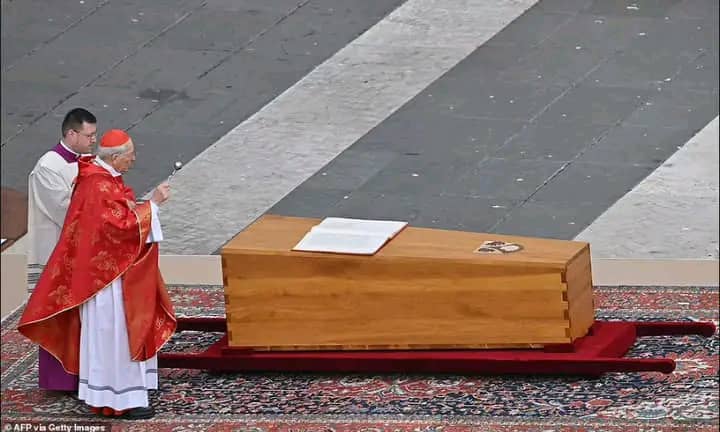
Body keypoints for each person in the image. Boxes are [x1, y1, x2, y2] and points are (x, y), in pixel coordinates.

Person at [18, 129, 176, 420]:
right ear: (114, 159)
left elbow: (114, 217)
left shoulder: (99, 178)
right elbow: (119, 230)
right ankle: (119, 399)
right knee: (116, 336)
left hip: (103, 276)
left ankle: (116, 391)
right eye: (130, 156)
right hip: (108, 282)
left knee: (112, 336)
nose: (134, 160)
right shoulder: (97, 185)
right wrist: (152, 204)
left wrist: (133, 206)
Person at [27, 108, 97, 392]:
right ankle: (60, 381)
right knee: (60, 318)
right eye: (89, 135)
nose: (93, 140)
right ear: (71, 134)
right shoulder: (48, 168)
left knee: (81, 317)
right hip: (57, 254)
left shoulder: (85, 161)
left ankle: (83, 375)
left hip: (79, 251)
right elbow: (67, 210)